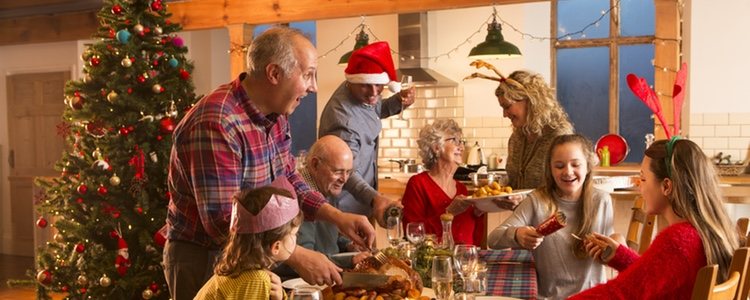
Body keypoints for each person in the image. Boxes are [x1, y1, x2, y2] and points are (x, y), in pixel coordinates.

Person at [164, 26, 375, 299]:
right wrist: (296, 255)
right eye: (308, 75)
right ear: (274, 73)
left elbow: (288, 178)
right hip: (206, 259)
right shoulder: (217, 122)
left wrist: (336, 217)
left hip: (251, 256)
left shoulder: (275, 115)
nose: (313, 87)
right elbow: (222, 222)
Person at [569, 137, 740, 299]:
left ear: (666, 186)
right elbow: (659, 276)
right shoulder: (700, 232)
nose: (639, 187)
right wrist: (620, 256)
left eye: (643, 178)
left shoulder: (678, 241)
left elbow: (621, 294)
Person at [487, 134, 614, 299]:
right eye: (559, 166)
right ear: (550, 169)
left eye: (575, 164)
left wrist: (613, 248)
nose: (568, 171)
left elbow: (611, 252)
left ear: (588, 166)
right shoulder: (536, 201)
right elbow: (493, 239)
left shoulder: (602, 201)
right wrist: (517, 235)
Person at [318, 41, 415, 225]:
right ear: (352, 80)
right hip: (344, 211)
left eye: (379, 86)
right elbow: (345, 174)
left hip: (363, 205)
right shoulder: (344, 120)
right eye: (366, 86)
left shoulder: (359, 89)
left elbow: (375, 108)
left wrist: (399, 101)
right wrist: (376, 199)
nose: (373, 93)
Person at [465, 61, 573, 190]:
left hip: (550, 210)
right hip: (521, 210)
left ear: (531, 101)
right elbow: (514, 184)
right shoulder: (516, 138)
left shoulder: (559, 137)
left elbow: (567, 191)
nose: (504, 114)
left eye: (507, 106)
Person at [274, 135, 370, 280]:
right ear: (315, 165)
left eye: (348, 172)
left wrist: (349, 245)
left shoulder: (325, 188)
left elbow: (328, 241)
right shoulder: (296, 202)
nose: (344, 179)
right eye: (338, 171)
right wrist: (350, 261)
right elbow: (304, 262)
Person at [194, 183, 303, 300]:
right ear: (276, 246)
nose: (296, 238)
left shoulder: (242, 273)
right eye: (294, 234)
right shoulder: (256, 280)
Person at [402, 119, 485, 246]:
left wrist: (478, 214)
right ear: (436, 147)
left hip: (464, 261)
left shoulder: (461, 188)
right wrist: (449, 213)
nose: (461, 147)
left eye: (461, 142)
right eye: (454, 140)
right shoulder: (418, 184)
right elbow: (413, 235)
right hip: (434, 262)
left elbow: (474, 239)